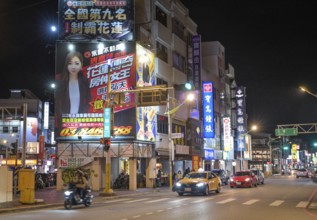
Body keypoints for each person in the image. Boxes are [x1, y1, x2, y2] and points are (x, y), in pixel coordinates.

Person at [56, 51, 91, 115]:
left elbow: (88, 101)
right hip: (64, 120)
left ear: (81, 65)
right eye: (70, 63)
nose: (73, 67)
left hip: (80, 120)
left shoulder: (84, 82)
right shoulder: (59, 80)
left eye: (77, 63)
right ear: (66, 65)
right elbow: (57, 104)